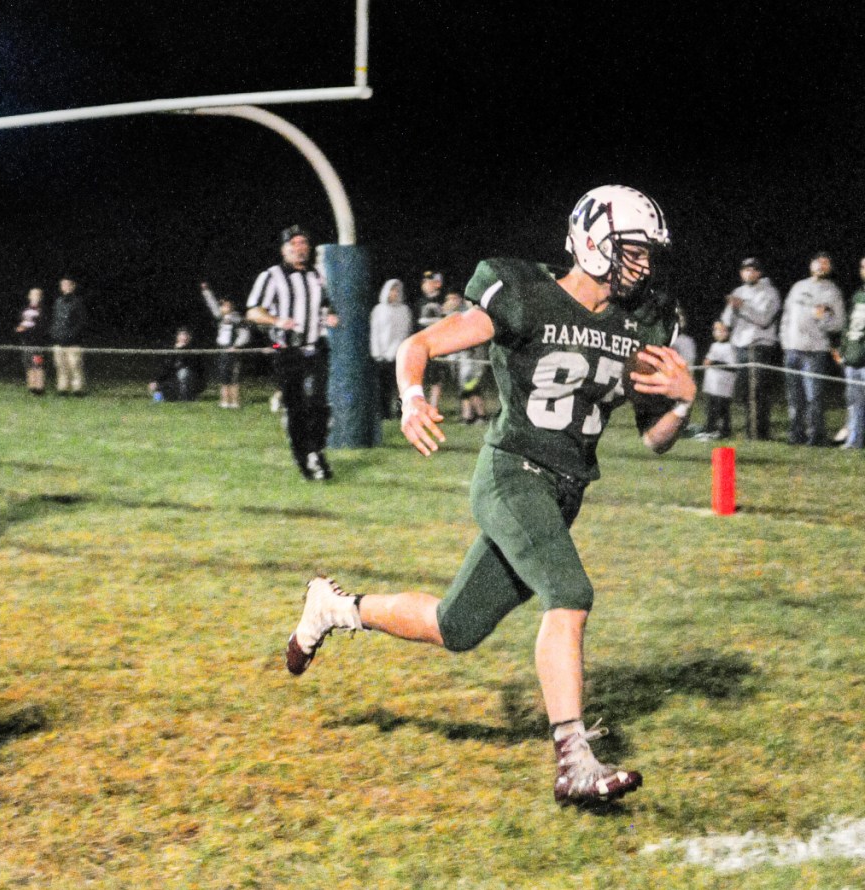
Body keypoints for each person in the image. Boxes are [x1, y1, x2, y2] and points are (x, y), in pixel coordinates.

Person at [285, 186, 695, 806]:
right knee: (570, 592)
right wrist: (414, 397)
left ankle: (335, 609)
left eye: (646, 254)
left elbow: (655, 440)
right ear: (590, 242)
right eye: (630, 250)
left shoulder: (640, 323)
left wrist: (685, 401)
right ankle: (574, 759)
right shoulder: (526, 293)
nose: (642, 265)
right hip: (512, 474)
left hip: (563, 493)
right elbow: (416, 345)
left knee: (458, 626)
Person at [246, 225, 338, 481]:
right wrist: (276, 321)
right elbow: (253, 312)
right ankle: (304, 459)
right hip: (285, 349)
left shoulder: (316, 275)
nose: (299, 249)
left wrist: (329, 315)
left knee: (320, 404)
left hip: (316, 346)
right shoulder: (272, 276)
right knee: (296, 406)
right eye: (293, 244)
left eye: (303, 244)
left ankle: (316, 450)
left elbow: (324, 303)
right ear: (284, 250)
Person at [779, 253, 846, 446]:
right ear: (811, 265)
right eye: (818, 262)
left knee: (813, 397)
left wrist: (822, 318)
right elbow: (786, 316)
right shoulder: (798, 287)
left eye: (826, 264)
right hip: (792, 350)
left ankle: (816, 436)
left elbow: (839, 323)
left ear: (830, 269)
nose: (821, 266)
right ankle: (796, 435)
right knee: (794, 397)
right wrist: (785, 341)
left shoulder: (832, 292)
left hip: (815, 352)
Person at [720, 257, 781, 440]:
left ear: (759, 273)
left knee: (758, 392)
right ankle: (751, 428)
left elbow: (764, 319)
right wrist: (731, 310)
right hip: (739, 347)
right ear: (741, 273)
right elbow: (727, 321)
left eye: (753, 269)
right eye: (746, 270)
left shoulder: (769, 292)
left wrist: (743, 306)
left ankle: (757, 433)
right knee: (744, 393)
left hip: (758, 346)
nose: (749, 273)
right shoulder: (738, 291)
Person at [201, 282, 251, 409]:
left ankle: (235, 402)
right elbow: (212, 305)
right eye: (222, 306)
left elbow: (245, 334)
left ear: (231, 307)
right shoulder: (220, 317)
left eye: (225, 306)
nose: (222, 308)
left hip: (233, 350)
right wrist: (206, 291)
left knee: (234, 377)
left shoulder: (238, 319)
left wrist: (237, 346)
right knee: (223, 377)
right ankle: (224, 401)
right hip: (222, 350)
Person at [370, 278, 413, 419]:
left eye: (397, 290)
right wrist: (377, 352)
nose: (394, 293)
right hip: (381, 355)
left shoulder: (404, 310)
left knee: (401, 387)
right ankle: (384, 412)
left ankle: (401, 411)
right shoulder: (378, 310)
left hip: (398, 355)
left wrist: (396, 351)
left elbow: (404, 333)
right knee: (383, 386)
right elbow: (374, 332)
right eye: (392, 290)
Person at [443, 289, 488, 423]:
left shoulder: (468, 313)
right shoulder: (451, 314)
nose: (451, 302)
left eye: (454, 298)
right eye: (449, 299)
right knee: (464, 387)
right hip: (461, 357)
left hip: (472, 357)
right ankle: (467, 415)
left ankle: (480, 415)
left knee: (470, 387)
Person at [835, 255, 865, 450]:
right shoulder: (857, 295)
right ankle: (854, 441)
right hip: (852, 360)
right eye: (863, 266)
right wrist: (843, 351)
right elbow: (847, 326)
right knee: (854, 404)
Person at [694, 321, 737, 441]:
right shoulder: (714, 346)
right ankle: (710, 429)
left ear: (727, 332)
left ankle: (723, 431)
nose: (716, 332)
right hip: (712, 385)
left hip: (723, 386)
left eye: (719, 330)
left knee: (723, 409)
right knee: (711, 408)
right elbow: (709, 360)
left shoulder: (729, 347)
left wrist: (714, 363)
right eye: (715, 330)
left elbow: (732, 366)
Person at [50, 276, 87, 395]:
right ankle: (63, 388)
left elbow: (81, 322)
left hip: (73, 341)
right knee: (60, 365)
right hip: (59, 339)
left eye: (67, 284)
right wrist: (54, 333)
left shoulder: (78, 302)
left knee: (75, 365)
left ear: (72, 286)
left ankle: (77, 389)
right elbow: (55, 320)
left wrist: (72, 335)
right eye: (63, 285)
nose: (65, 287)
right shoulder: (58, 301)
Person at [148, 327, 205, 402]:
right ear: (177, 337)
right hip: (173, 380)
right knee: (158, 386)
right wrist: (154, 380)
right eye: (181, 335)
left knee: (183, 373)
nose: (184, 338)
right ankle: (169, 396)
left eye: (186, 336)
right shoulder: (170, 349)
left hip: (191, 380)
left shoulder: (193, 349)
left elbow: (193, 366)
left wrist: (183, 349)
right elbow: (165, 367)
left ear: (189, 338)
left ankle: (186, 397)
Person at [415, 270, 446, 409]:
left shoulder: (444, 300)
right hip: (422, 344)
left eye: (429, 282)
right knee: (420, 376)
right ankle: (420, 405)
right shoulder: (419, 302)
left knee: (436, 378)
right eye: (424, 282)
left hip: (439, 344)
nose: (425, 285)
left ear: (437, 283)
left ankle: (433, 406)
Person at [15, 287, 46, 395]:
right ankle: (31, 387)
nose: (34, 297)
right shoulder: (25, 309)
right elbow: (20, 323)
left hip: (37, 342)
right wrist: (20, 329)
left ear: (40, 297)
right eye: (32, 294)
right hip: (25, 342)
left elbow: (42, 326)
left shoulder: (42, 310)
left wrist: (30, 329)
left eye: (37, 295)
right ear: (29, 296)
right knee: (28, 364)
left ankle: (39, 388)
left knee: (37, 364)